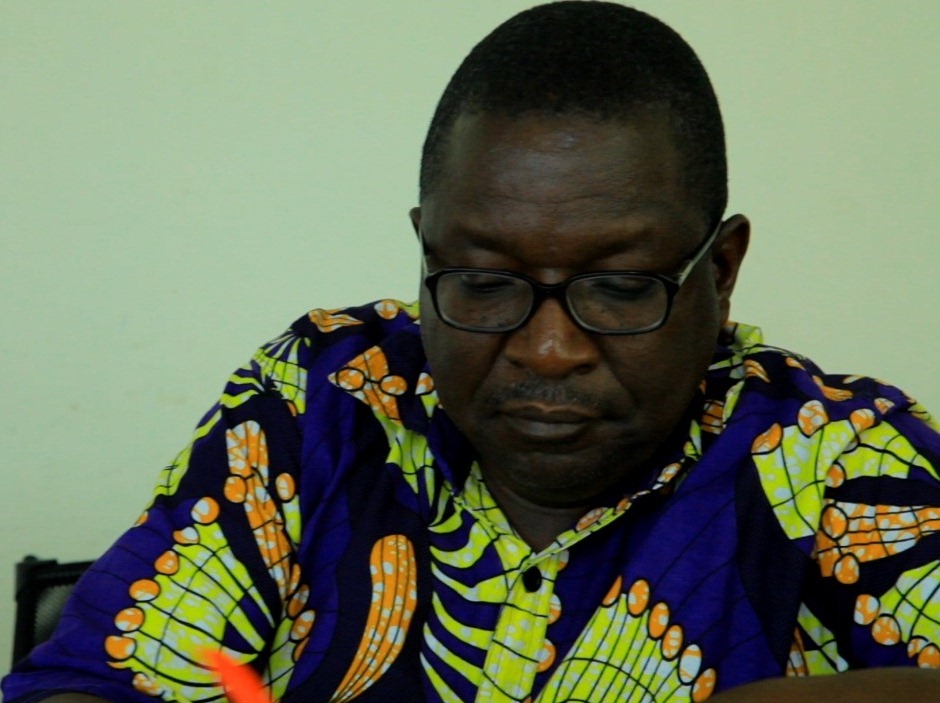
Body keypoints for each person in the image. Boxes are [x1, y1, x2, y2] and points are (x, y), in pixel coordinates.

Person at [5, 2, 940, 701]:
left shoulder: (841, 458)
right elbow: (84, 683)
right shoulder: (323, 398)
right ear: (426, 248)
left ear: (721, 271)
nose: (548, 348)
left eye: (620, 286)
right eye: (484, 281)